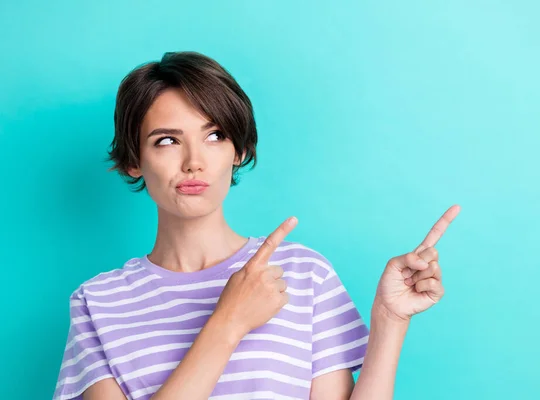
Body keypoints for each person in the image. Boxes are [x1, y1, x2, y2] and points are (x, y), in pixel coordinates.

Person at [52, 51, 460, 400]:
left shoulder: (303, 274)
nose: (194, 160)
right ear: (132, 160)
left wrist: (390, 320)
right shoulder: (97, 302)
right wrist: (228, 323)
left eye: (214, 136)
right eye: (167, 140)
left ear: (239, 150)